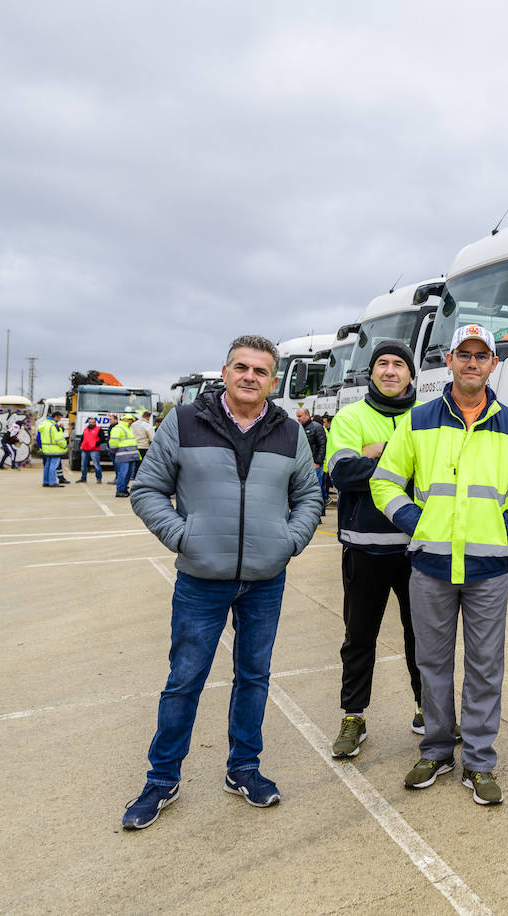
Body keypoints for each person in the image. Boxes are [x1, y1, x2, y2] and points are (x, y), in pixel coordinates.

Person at [122, 334, 321, 830]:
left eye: (260, 371)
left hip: (265, 578)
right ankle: (162, 778)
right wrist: (182, 536)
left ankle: (244, 769)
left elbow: (310, 496)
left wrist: (287, 542)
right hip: (200, 579)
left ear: (273, 381)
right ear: (225, 372)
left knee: (254, 677)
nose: (250, 377)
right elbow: (146, 488)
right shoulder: (185, 422)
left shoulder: (289, 433)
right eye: (241, 367)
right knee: (184, 680)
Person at [371, 323, 508, 806]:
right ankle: (436, 750)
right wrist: (413, 518)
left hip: (488, 568)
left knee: (485, 667)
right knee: (431, 664)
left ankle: (478, 761)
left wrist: (507, 523)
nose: (472, 363)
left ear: (493, 364)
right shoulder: (420, 419)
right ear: (448, 361)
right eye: (463, 355)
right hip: (430, 564)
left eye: (481, 356)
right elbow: (385, 481)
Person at [325, 339, 424, 756]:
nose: (389, 371)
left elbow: (435, 471)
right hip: (363, 550)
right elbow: (343, 473)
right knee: (359, 638)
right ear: (371, 372)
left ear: (410, 375)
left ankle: (428, 709)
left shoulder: (427, 417)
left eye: (398, 364)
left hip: (416, 549)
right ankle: (354, 716)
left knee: (422, 638)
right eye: (381, 363)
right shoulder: (350, 416)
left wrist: (379, 454)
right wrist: (402, 460)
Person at [296, 408, 329, 505]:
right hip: (304, 464)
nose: (298, 419)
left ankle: (319, 510)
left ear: (307, 415)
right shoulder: (300, 427)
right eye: (297, 416)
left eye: (300, 416)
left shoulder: (317, 427)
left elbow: (323, 445)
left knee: (316, 488)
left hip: (315, 464)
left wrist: (318, 462)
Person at [109, 413, 140, 498]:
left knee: (128, 474)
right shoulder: (118, 428)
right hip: (123, 456)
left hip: (130, 456)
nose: (132, 422)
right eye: (130, 420)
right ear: (125, 420)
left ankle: (124, 489)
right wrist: (114, 452)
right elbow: (113, 442)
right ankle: (120, 490)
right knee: (122, 474)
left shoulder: (128, 428)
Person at [37, 410, 68, 487]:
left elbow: (39, 437)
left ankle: (46, 481)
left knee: (47, 466)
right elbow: (59, 439)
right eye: (60, 418)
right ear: (56, 417)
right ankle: (53, 482)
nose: (60, 420)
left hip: (46, 449)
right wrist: (65, 446)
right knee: (53, 466)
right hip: (55, 449)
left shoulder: (44, 424)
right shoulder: (54, 426)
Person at [79, 418, 104, 483]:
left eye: (93, 422)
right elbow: (82, 438)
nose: (91, 423)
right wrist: (81, 445)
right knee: (83, 465)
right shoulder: (85, 429)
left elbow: (102, 439)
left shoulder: (99, 429)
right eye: (90, 422)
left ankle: (99, 478)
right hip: (85, 449)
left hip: (94, 450)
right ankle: (83, 478)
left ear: (95, 423)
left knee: (96, 465)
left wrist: (95, 444)